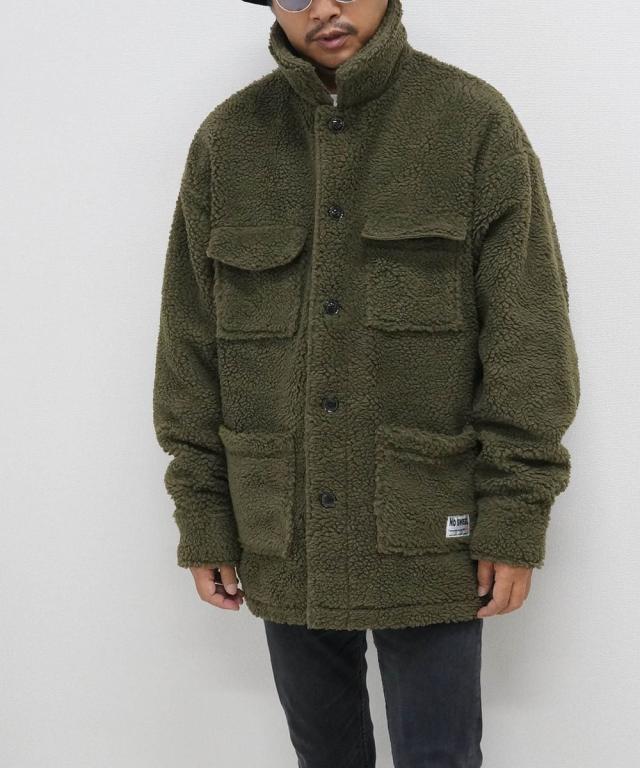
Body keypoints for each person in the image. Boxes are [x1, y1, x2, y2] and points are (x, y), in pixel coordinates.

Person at [152, 0, 581, 765]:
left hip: (431, 529)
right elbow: (188, 348)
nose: (323, 7)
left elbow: (530, 340)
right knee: (323, 755)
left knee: (440, 756)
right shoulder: (229, 140)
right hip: (282, 529)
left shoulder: (471, 125)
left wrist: (516, 513)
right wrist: (203, 512)